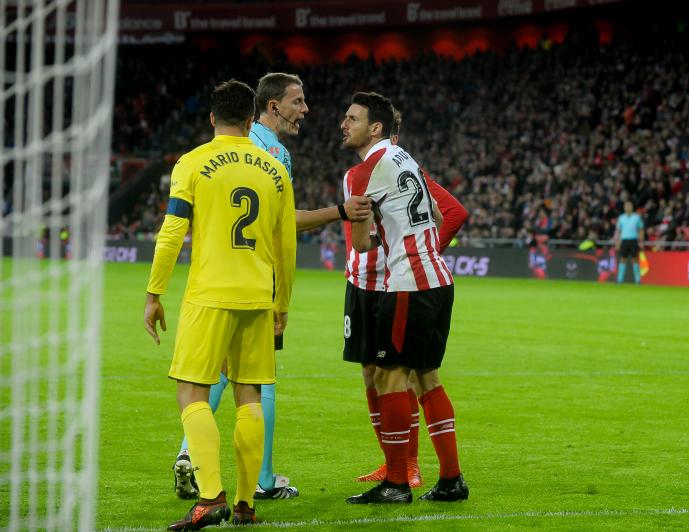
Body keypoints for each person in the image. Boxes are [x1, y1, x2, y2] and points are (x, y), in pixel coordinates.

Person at [172, 72, 371, 501]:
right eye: (298, 101)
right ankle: (261, 480)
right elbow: (286, 223)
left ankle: (190, 452)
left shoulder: (231, 147)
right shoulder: (274, 153)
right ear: (272, 106)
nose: (305, 109)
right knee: (260, 383)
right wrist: (339, 211)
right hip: (258, 279)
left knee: (218, 373)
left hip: (215, 279)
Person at [144, 79, 296, 529]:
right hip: (257, 296)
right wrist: (281, 303)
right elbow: (285, 245)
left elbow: (173, 231)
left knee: (191, 391)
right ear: (251, 119)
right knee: (249, 394)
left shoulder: (192, 162)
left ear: (212, 117)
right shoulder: (275, 170)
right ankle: (246, 504)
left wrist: (154, 293)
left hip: (209, 294)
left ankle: (211, 497)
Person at [341, 92, 468, 504]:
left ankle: (397, 482)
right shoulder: (406, 158)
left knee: (388, 376)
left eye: (352, 118)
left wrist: (371, 228)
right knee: (427, 377)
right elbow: (441, 214)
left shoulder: (363, 173)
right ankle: (451, 480)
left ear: (375, 127)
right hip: (439, 279)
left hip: (408, 284)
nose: (344, 124)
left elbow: (362, 245)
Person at [614, 200, 645, 284]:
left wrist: (641, 241)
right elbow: (618, 231)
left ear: (632, 207)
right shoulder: (621, 218)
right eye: (626, 206)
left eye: (629, 206)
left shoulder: (637, 217)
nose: (628, 207)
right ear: (624, 208)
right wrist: (617, 242)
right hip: (624, 240)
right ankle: (619, 280)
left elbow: (641, 230)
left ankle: (638, 280)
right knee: (622, 259)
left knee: (635, 259)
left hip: (633, 240)